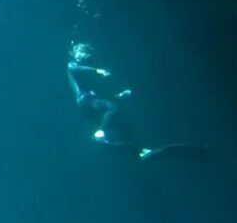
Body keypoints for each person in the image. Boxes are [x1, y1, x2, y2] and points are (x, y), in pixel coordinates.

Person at [67, 42, 210, 162]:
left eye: (88, 53)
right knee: (113, 108)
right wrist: (97, 70)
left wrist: (119, 95)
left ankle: (139, 151)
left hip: (92, 106)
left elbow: (101, 96)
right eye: (83, 52)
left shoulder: (88, 78)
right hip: (85, 103)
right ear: (74, 53)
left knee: (123, 125)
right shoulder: (72, 65)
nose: (87, 55)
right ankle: (99, 132)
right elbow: (76, 69)